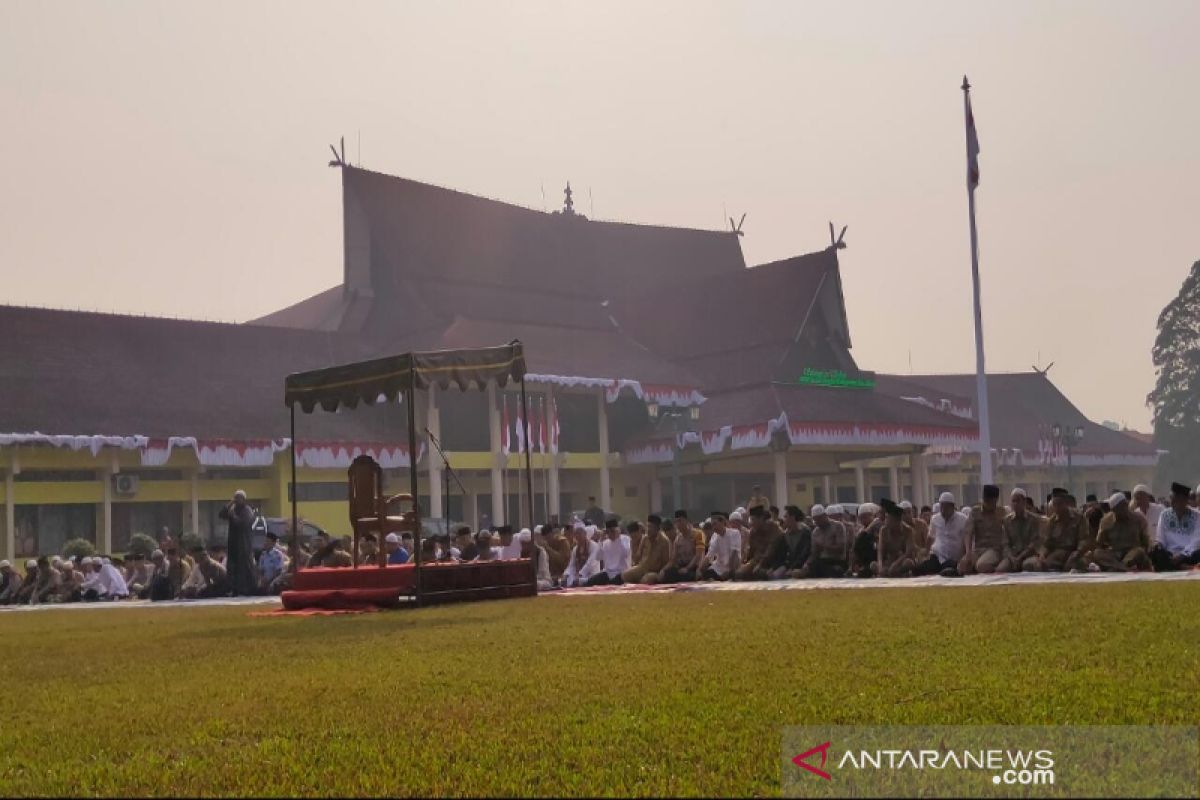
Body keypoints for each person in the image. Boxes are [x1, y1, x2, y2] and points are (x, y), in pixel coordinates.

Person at [1030, 488, 1091, 572]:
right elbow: (1047, 544)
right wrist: (1042, 555)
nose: (1057, 508)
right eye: (1055, 505)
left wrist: (1077, 553)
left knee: (1079, 563)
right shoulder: (1052, 522)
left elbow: (1084, 540)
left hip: (1075, 552)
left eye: (1059, 504)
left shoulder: (1079, 518)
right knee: (1041, 566)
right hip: (1058, 554)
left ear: (1066, 503)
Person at [1090, 492, 1152, 572]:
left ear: (1125, 506)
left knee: (1139, 551)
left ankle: (1116, 568)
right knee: (1097, 553)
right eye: (1114, 510)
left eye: (1118, 509)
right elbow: (1099, 543)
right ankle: (1124, 569)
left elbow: (1146, 542)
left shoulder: (1138, 519)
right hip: (1115, 554)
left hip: (1132, 553)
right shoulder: (1106, 521)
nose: (1116, 513)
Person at [915, 492, 969, 576]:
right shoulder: (935, 519)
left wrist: (965, 556)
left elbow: (967, 539)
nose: (943, 510)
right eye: (942, 507)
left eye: (946, 507)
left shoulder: (963, 519)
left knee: (951, 570)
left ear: (952, 507)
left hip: (954, 557)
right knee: (920, 569)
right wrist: (926, 552)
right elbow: (930, 537)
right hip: (938, 556)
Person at [958, 484, 1007, 575]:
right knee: (962, 566)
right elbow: (968, 532)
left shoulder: (1001, 512)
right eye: (988, 501)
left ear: (996, 500)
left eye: (993, 501)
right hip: (978, 549)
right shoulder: (975, 512)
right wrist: (968, 552)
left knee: (982, 565)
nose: (990, 504)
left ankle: (999, 568)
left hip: (994, 550)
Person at [1151, 482, 1200, 571]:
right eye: (1173, 500)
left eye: (1179, 500)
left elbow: (1196, 541)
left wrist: (1182, 555)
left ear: (1186, 501)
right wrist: (1158, 545)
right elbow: (1160, 538)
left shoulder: (1197, 516)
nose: (1175, 503)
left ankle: (1175, 566)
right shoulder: (1164, 514)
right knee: (1155, 552)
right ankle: (1182, 567)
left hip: (1189, 555)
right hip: (1170, 554)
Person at [218, 490, 257, 596]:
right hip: (233, 543)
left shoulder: (247, 510)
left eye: (239, 498)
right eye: (235, 498)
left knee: (243, 567)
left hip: (243, 544)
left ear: (244, 499)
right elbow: (221, 515)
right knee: (232, 567)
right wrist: (229, 504)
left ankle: (246, 589)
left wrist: (233, 515)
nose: (237, 500)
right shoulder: (233, 509)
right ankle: (234, 589)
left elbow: (243, 524)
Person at [759, 505, 811, 579]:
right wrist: (774, 568)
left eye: (786, 517)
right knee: (773, 576)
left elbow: (804, 554)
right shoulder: (785, 535)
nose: (784, 519)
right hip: (788, 566)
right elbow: (781, 555)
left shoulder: (805, 532)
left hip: (803, 566)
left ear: (792, 517)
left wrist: (793, 569)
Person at [798, 505, 849, 578]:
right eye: (815, 520)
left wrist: (824, 546)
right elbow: (814, 554)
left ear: (825, 516)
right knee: (813, 566)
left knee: (822, 568)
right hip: (822, 562)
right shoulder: (815, 532)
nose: (817, 522)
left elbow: (841, 548)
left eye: (819, 519)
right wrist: (806, 564)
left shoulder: (838, 526)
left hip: (837, 561)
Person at [997, 489, 1041, 572]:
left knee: (1028, 565)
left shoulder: (1033, 519)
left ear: (1024, 502)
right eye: (1013, 501)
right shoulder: (1006, 521)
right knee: (1001, 569)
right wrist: (1012, 558)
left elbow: (1034, 543)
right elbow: (1005, 544)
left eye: (1018, 501)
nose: (1015, 504)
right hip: (1012, 556)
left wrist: (1020, 557)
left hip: (1029, 555)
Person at [735, 506, 782, 580]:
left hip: (772, 563)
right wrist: (747, 563)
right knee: (739, 574)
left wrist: (759, 564)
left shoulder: (774, 529)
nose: (752, 523)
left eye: (754, 520)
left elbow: (770, 551)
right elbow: (751, 552)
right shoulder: (753, 532)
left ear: (761, 519)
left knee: (760, 574)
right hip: (756, 562)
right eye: (751, 520)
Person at [622, 514, 671, 584]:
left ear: (657, 528)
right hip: (642, 568)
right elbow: (637, 557)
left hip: (655, 571)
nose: (648, 529)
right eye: (647, 526)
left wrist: (661, 572)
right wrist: (633, 545)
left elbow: (666, 562)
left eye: (651, 527)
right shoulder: (645, 538)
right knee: (625, 575)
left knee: (646, 580)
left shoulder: (664, 541)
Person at [875, 499, 916, 577]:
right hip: (889, 560)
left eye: (888, 519)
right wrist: (880, 566)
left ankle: (900, 573)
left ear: (896, 521)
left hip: (902, 561)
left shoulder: (908, 530)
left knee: (908, 563)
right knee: (873, 565)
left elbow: (908, 553)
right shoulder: (883, 530)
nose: (886, 521)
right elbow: (880, 551)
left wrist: (895, 564)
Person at [586, 520, 631, 586]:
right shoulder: (605, 542)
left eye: (612, 531)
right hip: (608, 573)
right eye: (608, 532)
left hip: (621, 573)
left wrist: (618, 538)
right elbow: (598, 557)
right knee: (590, 582)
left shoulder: (625, 539)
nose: (610, 534)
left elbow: (626, 553)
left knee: (611, 584)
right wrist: (601, 540)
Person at [661, 514, 703, 583]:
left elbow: (698, 555)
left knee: (687, 576)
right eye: (677, 522)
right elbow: (673, 559)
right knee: (668, 574)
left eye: (680, 521)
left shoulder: (698, 534)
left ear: (686, 521)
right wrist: (663, 570)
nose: (678, 524)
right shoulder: (678, 539)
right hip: (682, 566)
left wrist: (687, 568)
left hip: (693, 566)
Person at [699, 511, 740, 581]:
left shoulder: (735, 533)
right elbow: (709, 555)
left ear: (723, 522)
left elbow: (734, 555)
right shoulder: (714, 537)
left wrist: (729, 571)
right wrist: (700, 569)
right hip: (718, 567)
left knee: (731, 574)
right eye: (712, 525)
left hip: (732, 566)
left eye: (715, 524)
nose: (714, 528)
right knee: (705, 574)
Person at [850, 503, 881, 578]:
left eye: (865, 517)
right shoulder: (860, 531)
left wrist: (872, 525)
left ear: (873, 516)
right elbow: (856, 548)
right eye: (861, 518)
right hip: (865, 562)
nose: (863, 520)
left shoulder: (880, 527)